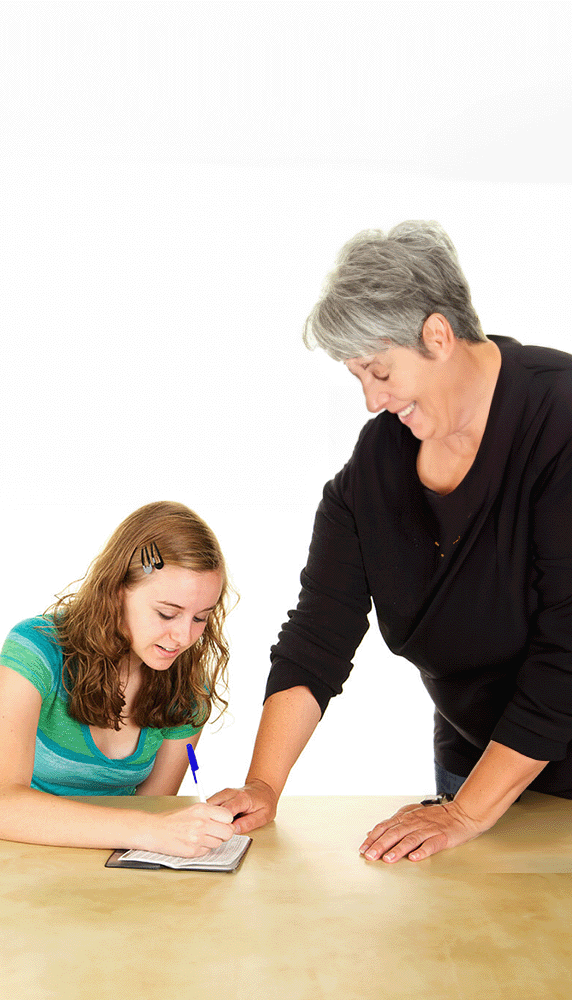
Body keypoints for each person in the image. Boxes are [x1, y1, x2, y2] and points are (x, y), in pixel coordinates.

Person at [211, 221, 571, 863]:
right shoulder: (375, 471)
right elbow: (317, 636)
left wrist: (465, 813)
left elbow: (569, 648)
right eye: (358, 379)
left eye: (379, 372)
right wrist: (264, 785)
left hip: (517, 774)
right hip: (477, 765)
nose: (372, 402)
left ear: (437, 335)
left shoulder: (561, 418)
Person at [0, 501, 237, 857]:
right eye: (167, 613)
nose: (184, 638)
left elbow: (153, 811)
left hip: (112, 872)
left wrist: (165, 830)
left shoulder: (187, 687)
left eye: (200, 617)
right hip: (18, 863)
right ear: (116, 591)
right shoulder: (37, 650)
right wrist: (147, 830)